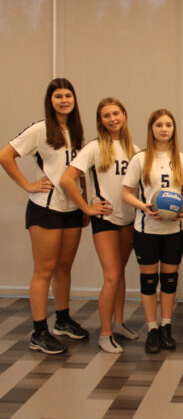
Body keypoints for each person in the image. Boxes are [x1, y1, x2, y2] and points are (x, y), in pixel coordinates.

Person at [0, 78, 88, 354]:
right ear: (50, 101)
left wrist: (84, 203)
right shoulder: (40, 129)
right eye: (58, 96)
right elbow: (6, 156)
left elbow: (79, 171)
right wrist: (27, 185)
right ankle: (39, 332)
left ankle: (62, 320)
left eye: (68, 95)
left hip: (72, 208)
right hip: (45, 208)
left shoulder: (76, 131)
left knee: (64, 267)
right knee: (44, 270)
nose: (64, 100)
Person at [60, 97, 139, 353]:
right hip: (104, 219)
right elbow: (67, 179)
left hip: (128, 219)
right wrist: (86, 207)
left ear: (124, 115)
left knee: (121, 274)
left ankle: (118, 324)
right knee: (112, 276)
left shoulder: (134, 150)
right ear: (101, 120)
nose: (113, 119)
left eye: (116, 113)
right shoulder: (94, 148)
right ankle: (105, 334)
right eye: (107, 115)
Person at [121, 109, 183, 354]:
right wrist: (144, 207)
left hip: (173, 229)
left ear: (173, 129)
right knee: (149, 281)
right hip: (146, 228)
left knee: (169, 281)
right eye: (159, 124)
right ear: (151, 129)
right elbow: (126, 193)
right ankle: (152, 328)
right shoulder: (140, 159)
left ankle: (166, 325)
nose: (164, 129)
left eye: (168, 125)